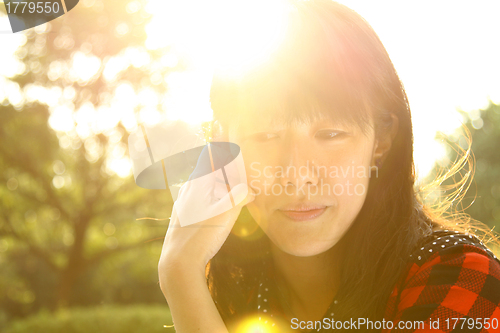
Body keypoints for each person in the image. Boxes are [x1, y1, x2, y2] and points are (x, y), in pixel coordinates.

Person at [157, 1, 500, 332]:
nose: (297, 175)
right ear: (222, 147)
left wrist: (181, 278)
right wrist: (183, 272)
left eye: (331, 134)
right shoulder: (238, 289)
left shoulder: (463, 280)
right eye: (266, 135)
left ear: (381, 141)